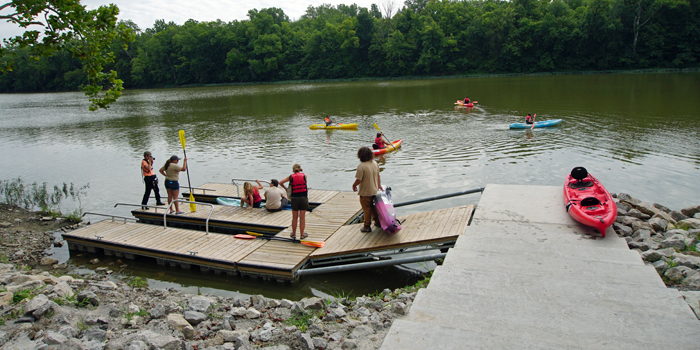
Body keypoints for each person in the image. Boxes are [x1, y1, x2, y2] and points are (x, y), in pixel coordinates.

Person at [352, 147, 382, 233]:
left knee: (366, 209)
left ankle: (367, 226)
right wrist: (379, 185)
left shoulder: (361, 166)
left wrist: (354, 185)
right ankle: (377, 221)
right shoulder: (375, 163)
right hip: (374, 190)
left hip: (365, 192)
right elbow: (378, 176)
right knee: (372, 207)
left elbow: (359, 180)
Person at [280, 164, 308, 239]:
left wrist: (286, 188)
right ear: (300, 169)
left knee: (294, 217)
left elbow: (280, 182)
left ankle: (294, 234)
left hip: (295, 198)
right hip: (303, 198)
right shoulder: (304, 176)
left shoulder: (291, 177)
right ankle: (302, 235)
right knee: (302, 217)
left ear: (293, 170)